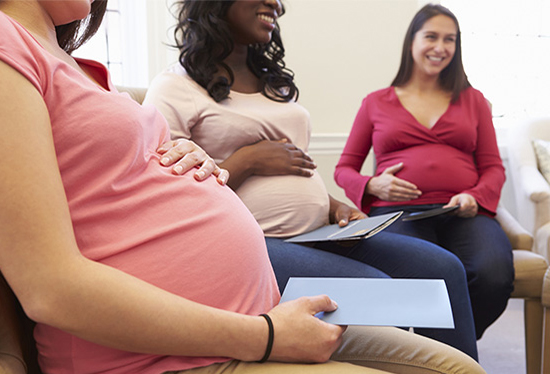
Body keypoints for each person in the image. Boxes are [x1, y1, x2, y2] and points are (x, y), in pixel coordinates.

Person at [0, 0, 487, 373]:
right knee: (382, 294)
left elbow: (113, 175)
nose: (274, 7)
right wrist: (267, 336)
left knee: (457, 355)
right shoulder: (13, 45)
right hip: (177, 349)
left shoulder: (77, 67)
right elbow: (49, 285)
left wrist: (183, 161)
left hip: (261, 298)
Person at [144, 0, 478, 360]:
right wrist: (246, 162)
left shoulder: (271, 84)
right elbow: (164, 192)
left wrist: (334, 206)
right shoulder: (175, 86)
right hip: (252, 241)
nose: (275, 3)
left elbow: (296, 166)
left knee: (443, 269)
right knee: (379, 294)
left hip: (319, 232)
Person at [334, 4, 514, 340]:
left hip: (462, 212)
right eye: (431, 36)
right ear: (411, 41)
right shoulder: (376, 102)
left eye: (450, 40)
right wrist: (372, 184)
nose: (441, 47)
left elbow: (492, 167)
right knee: (424, 273)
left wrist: (474, 197)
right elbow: (344, 169)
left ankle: (446, 347)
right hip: (397, 214)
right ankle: (440, 356)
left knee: (494, 273)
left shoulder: (473, 100)